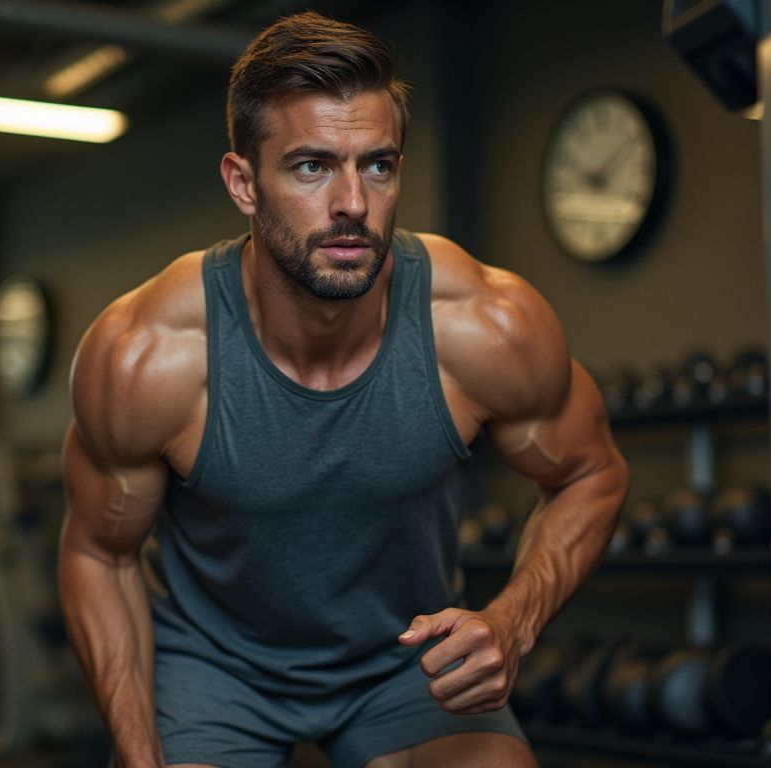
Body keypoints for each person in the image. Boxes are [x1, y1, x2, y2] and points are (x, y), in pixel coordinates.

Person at [58, 11, 628, 768]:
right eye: (311, 166)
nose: (353, 202)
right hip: (215, 667)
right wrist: (138, 758)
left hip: (403, 660)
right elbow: (100, 555)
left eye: (379, 165)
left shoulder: (485, 324)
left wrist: (512, 623)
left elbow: (591, 473)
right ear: (244, 184)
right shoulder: (148, 355)